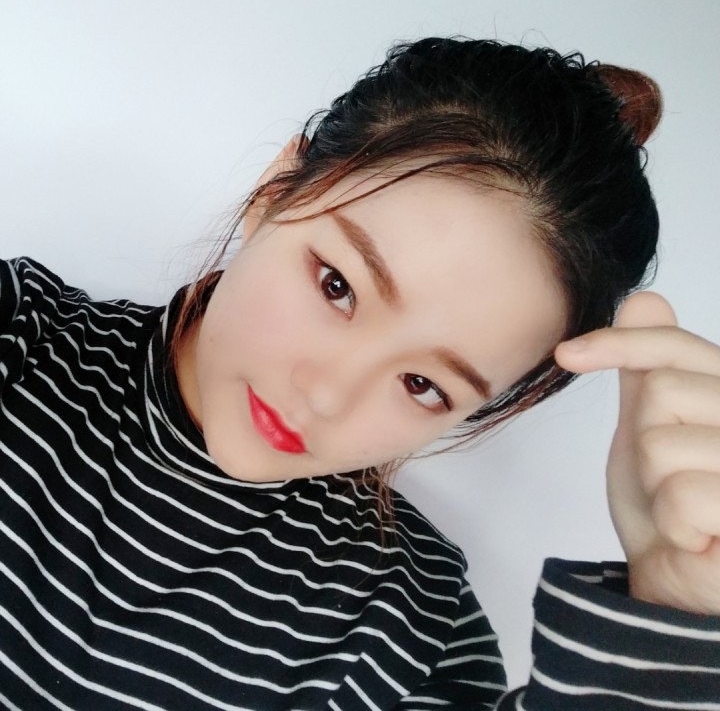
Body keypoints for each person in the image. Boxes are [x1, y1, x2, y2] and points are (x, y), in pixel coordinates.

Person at [1, 36, 719, 710]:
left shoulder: (412, 627)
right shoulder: (23, 337)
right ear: (274, 191)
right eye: (337, 286)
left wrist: (668, 621)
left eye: (423, 385)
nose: (324, 395)